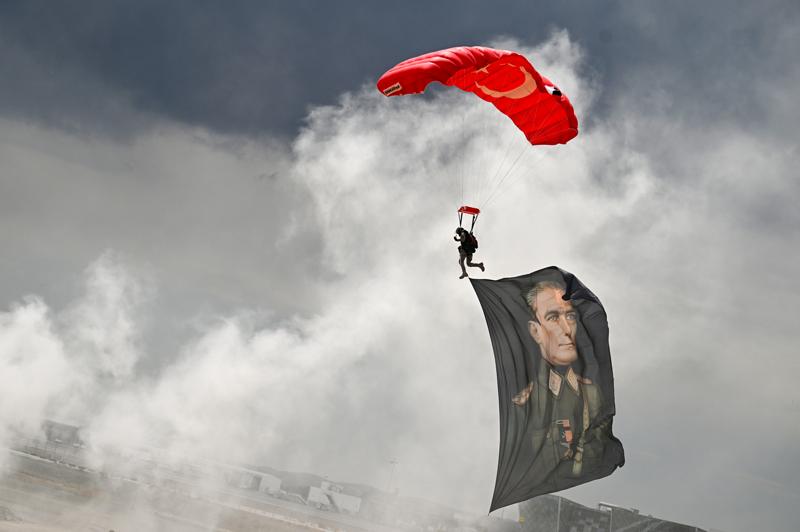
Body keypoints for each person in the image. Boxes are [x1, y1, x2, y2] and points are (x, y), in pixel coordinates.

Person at [512, 279, 610, 482]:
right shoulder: (525, 403)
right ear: (535, 331)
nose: (566, 328)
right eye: (553, 317)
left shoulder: (592, 396)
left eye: (571, 316)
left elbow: (599, 454)